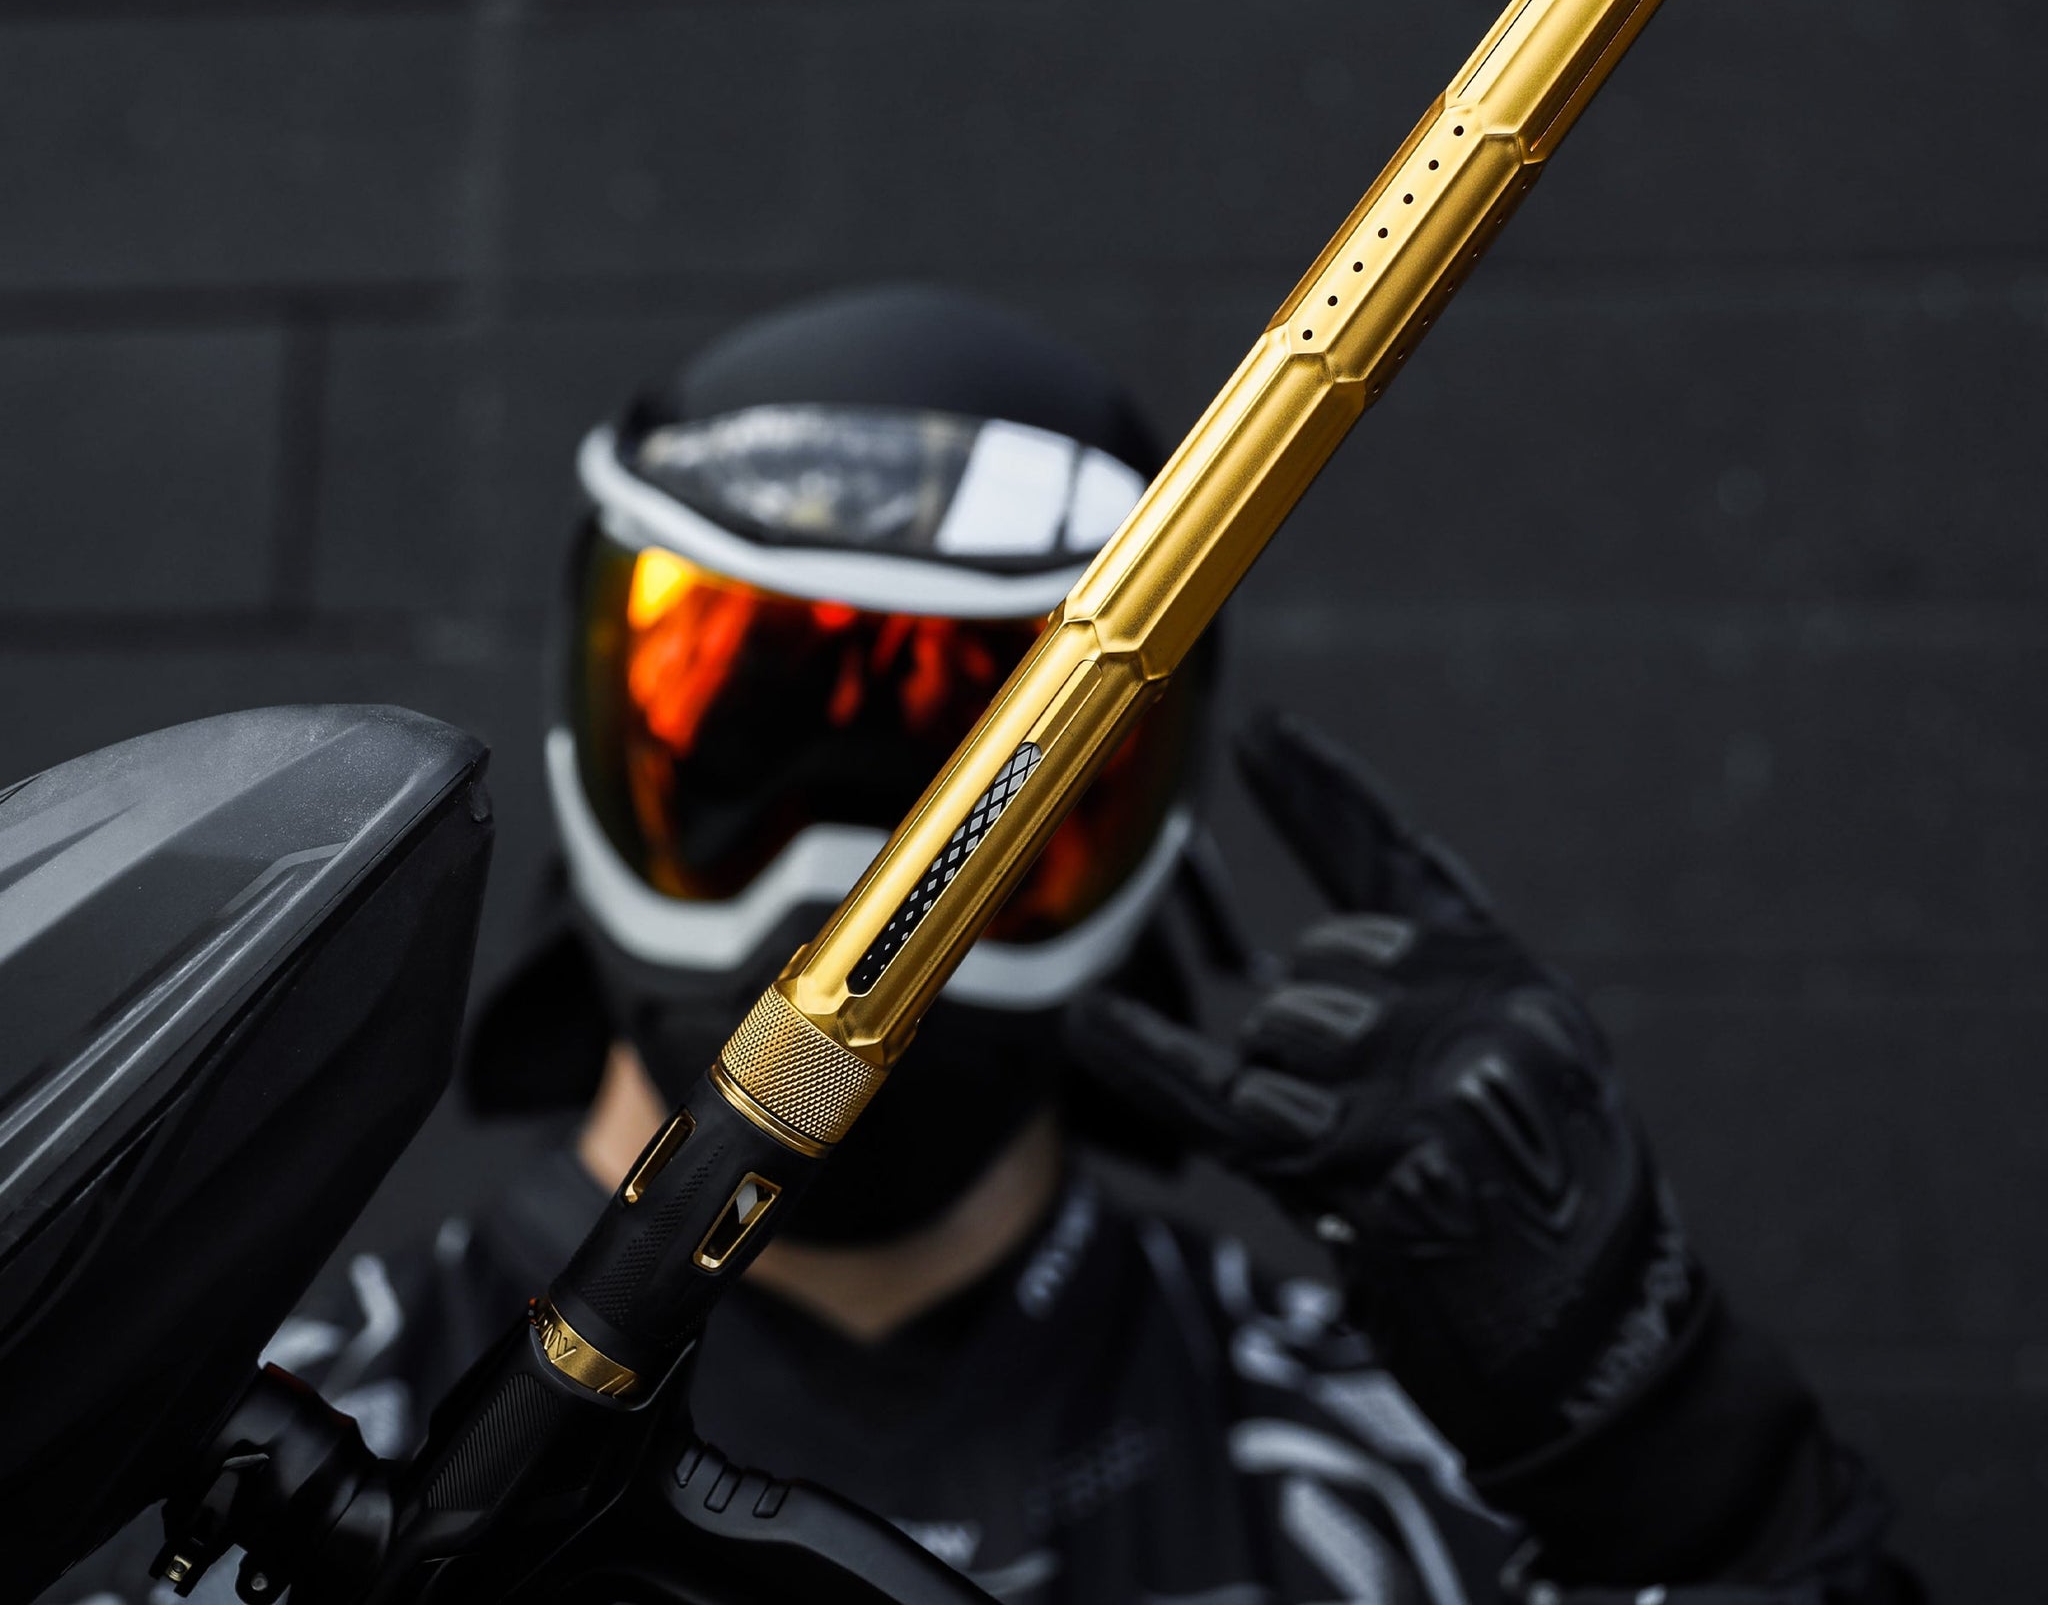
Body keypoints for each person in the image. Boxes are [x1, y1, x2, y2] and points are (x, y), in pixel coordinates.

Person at [50, 287, 1918, 1605]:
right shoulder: (248, 1431)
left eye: (973, 776)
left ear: (1142, 820)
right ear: (592, 752)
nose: (859, 895)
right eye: (750, 731)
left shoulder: (1362, 1470)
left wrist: (1666, 1451)